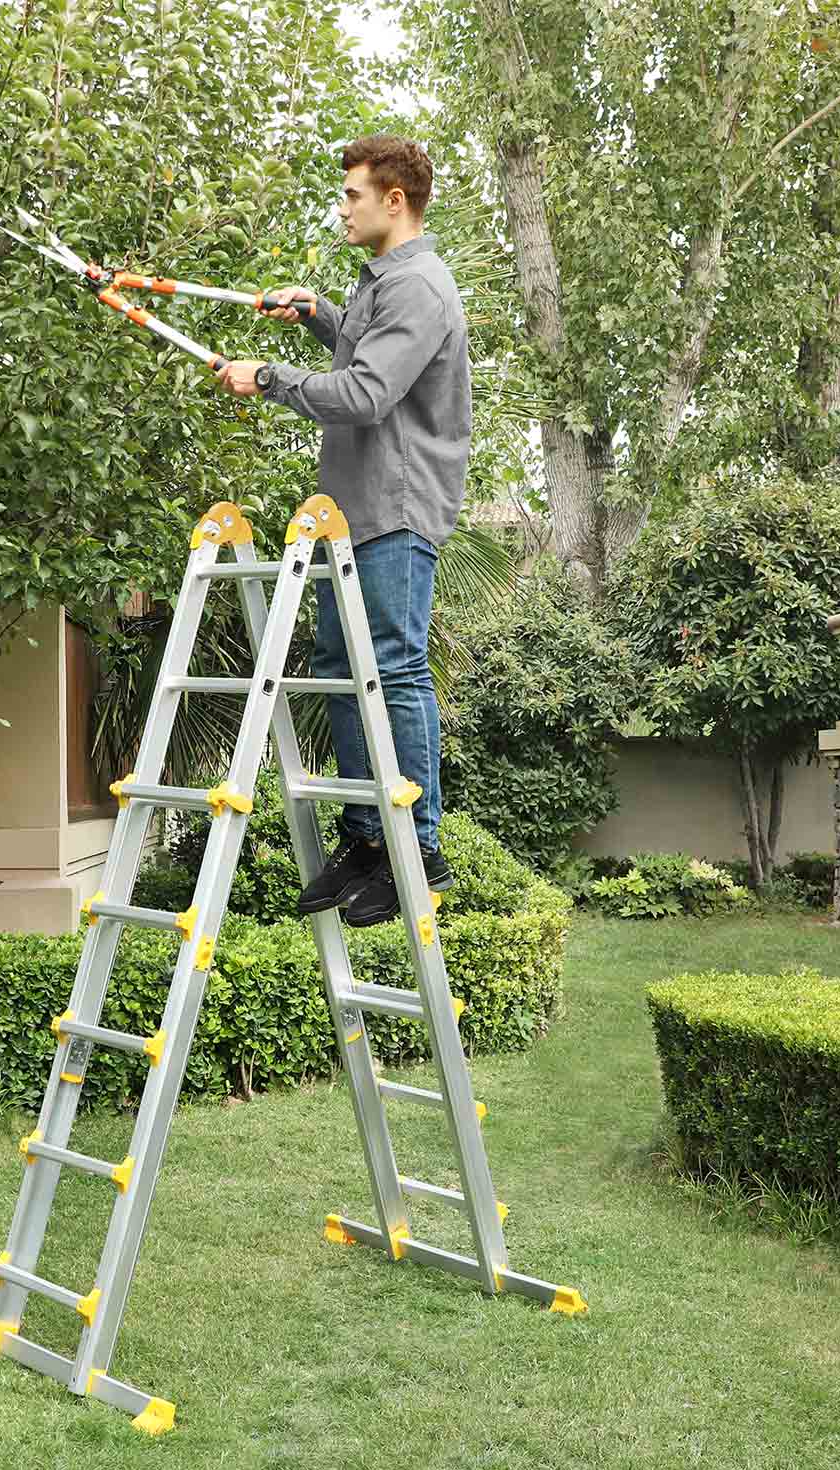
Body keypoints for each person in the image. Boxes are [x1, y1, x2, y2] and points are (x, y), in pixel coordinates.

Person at [216, 135, 471, 928]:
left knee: (393, 669)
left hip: (396, 506)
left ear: (395, 200)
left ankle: (417, 848)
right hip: (354, 511)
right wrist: (320, 316)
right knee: (341, 670)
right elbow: (369, 355)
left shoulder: (418, 286)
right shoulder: (383, 282)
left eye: (353, 194)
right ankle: (366, 838)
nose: (343, 209)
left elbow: (366, 394)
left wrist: (269, 378)